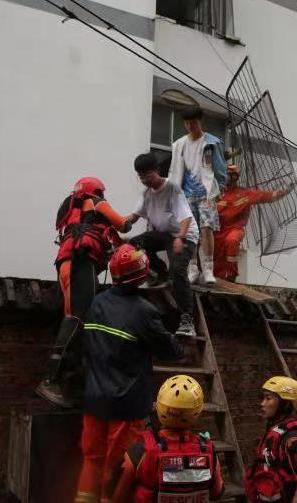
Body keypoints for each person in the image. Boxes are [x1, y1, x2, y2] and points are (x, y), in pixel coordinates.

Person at [75, 244, 186, 503]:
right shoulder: (144, 311)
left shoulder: (96, 302)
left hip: (93, 400)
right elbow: (171, 351)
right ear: (142, 274)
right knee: (120, 467)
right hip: (125, 406)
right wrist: (178, 340)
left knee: (91, 462)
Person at [37, 176, 131, 408]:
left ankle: (70, 385)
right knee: (79, 319)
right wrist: (138, 215)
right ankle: (51, 380)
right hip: (81, 262)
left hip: (65, 265)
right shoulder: (96, 202)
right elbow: (123, 224)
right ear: (96, 190)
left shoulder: (73, 209)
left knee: (74, 321)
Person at [108, 375, 225, 503]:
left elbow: (117, 497)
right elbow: (217, 493)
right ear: (197, 412)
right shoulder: (208, 450)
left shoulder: (140, 451)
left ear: (159, 406)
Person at [126, 153, 200, 338]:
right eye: (141, 176)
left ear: (157, 171)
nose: (144, 180)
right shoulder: (146, 193)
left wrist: (180, 238)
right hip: (164, 234)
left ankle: (187, 320)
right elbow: (133, 217)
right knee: (135, 243)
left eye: (147, 175)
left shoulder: (172, 189)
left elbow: (186, 217)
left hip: (185, 234)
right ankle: (160, 272)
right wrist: (115, 223)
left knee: (178, 270)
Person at [168, 107, 228, 285]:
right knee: (190, 233)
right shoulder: (179, 144)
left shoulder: (211, 142)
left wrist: (221, 188)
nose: (189, 126)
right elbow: (174, 170)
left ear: (200, 121)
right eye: (186, 123)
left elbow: (220, 167)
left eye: (193, 122)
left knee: (206, 228)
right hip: (185, 195)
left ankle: (208, 269)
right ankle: (192, 268)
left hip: (206, 193)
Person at [244, 376, 297, 503]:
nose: (262, 404)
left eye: (268, 398)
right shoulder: (276, 432)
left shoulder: (294, 439)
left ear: (285, 403)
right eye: (263, 398)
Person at [214, 162, 295, 282]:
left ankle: (231, 276)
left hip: (234, 229)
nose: (224, 177)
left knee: (231, 241)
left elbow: (267, 196)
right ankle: (216, 276)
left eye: (228, 175)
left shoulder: (245, 194)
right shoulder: (216, 194)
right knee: (214, 252)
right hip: (217, 230)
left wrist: (285, 191)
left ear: (235, 177)